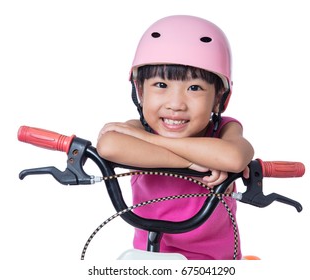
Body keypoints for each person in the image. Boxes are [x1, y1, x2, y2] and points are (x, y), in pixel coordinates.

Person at [96, 15, 254, 260]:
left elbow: (234, 157)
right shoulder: (138, 129)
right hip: (149, 256)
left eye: (194, 88)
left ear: (219, 97)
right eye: (161, 84)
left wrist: (155, 141)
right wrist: (190, 162)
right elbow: (108, 145)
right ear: (140, 89)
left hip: (215, 262)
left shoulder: (222, 130)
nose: (175, 104)